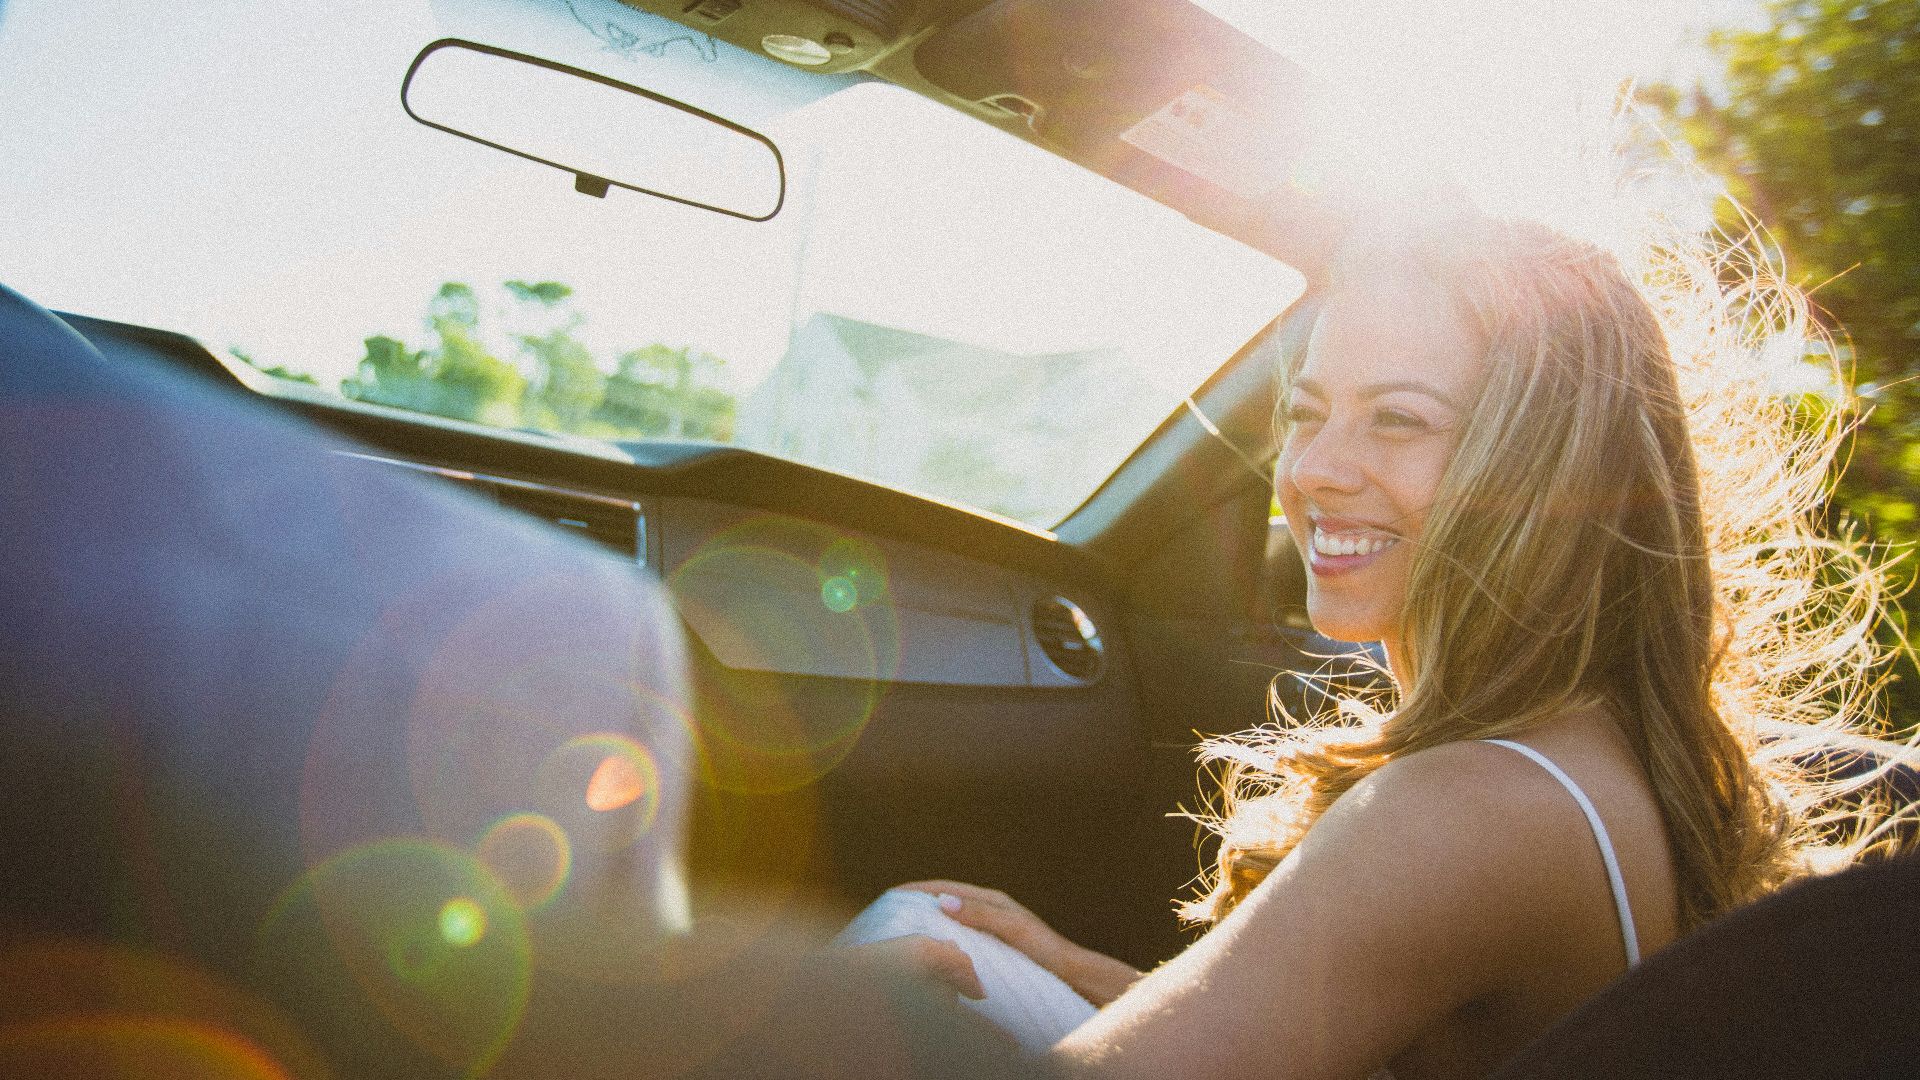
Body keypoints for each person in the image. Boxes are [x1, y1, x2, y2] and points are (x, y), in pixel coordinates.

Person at [871, 216, 1903, 1079]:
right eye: (1309, 413)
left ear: (1549, 476)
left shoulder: (1467, 811)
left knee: (882, 955)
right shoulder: (1594, 747)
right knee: (934, 917)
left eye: (1399, 421)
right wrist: (1072, 969)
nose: (1317, 468)